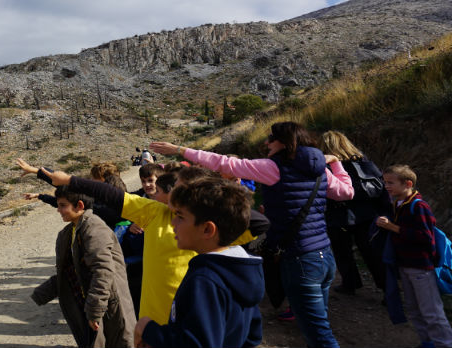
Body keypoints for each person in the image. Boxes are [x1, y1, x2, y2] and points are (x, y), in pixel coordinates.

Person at [151, 121, 353, 348]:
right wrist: (336, 163)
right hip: (324, 254)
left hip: (300, 258)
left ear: (286, 142)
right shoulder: (319, 169)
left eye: (271, 138)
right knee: (318, 324)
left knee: (320, 335)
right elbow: (347, 192)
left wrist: (180, 150)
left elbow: (225, 162)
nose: (266, 142)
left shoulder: (274, 167)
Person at [19, 159, 268, 326]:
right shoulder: (154, 212)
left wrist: (212, 197)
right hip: (152, 322)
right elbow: (111, 195)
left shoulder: (207, 227)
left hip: (192, 316)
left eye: (182, 191)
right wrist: (69, 181)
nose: (174, 196)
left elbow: (259, 223)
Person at [135, 178, 264, 348]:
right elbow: (253, 336)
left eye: (180, 217)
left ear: (207, 229)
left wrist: (148, 329)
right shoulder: (239, 269)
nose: (173, 223)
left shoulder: (205, 280)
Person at [31, 186, 136, 348]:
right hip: (95, 302)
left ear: (79, 205)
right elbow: (71, 269)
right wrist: (43, 292)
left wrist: (94, 310)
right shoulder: (72, 230)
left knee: (118, 341)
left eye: (62, 205)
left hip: (109, 303)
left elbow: (103, 272)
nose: (58, 210)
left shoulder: (94, 228)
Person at [376, 165, 452, 348]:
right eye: (385, 182)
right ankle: (427, 342)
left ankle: (444, 344)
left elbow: (425, 237)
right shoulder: (399, 204)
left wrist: (392, 227)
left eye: (391, 183)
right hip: (405, 265)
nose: (386, 186)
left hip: (421, 268)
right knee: (414, 308)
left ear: (408, 183)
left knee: (431, 311)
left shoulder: (419, 207)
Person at [318, 130, 387, 294]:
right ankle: (386, 288)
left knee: (342, 252)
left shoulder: (328, 165)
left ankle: (350, 283)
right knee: (371, 253)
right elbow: (381, 187)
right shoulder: (363, 161)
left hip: (336, 214)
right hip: (365, 213)